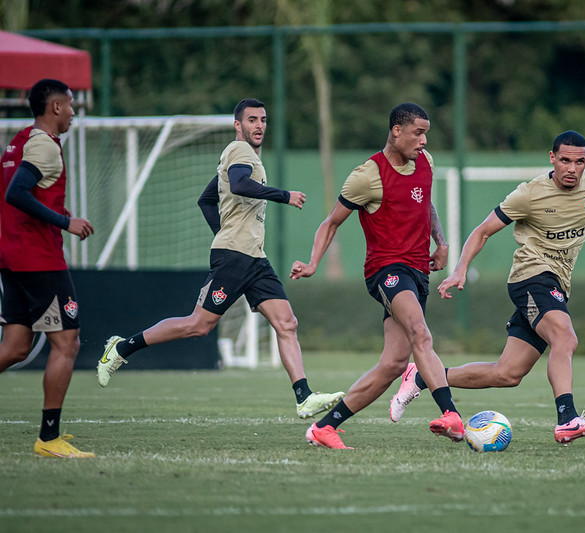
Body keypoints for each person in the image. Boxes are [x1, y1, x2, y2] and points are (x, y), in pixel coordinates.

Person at [96, 98, 344, 419]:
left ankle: (303, 396)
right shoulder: (239, 151)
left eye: (263, 120)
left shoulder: (245, 157)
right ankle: (121, 348)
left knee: (287, 323)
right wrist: (284, 196)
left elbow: (206, 200)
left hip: (253, 257)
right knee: (198, 325)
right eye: (252, 120)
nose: (259, 126)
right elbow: (240, 185)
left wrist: (223, 231)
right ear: (238, 126)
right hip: (235, 257)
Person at [389, 130, 585, 444]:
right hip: (530, 278)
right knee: (565, 336)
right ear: (552, 158)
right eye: (564, 160)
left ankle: (422, 376)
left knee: (507, 373)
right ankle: (567, 419)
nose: (572, 168)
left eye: (579, 162)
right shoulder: (530, 194)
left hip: (557, 282)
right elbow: (482, 232)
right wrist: (460, 270)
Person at [290, 102, 463, 449]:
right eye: (418, 132)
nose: (424, 141)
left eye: (426, 133)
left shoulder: (425, 163)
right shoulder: (367, 175)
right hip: (386, 270)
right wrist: (312, 264)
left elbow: (425, 202)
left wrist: (440, 242)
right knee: (420, 332)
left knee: (393, 364)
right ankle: (451, 414)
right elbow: (331, 222)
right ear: (396, 131)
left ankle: (324, 428)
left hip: (417, 272)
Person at [0, 79, 96, 458]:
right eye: (71, 105)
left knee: (16, 347)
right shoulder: (44, 144)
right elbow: (16, 193)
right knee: (67, 342)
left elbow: (15, 193)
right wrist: (63, 222)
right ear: (55, 107)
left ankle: (50, 436)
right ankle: (48, 438)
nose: (73, 112)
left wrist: (55, 212)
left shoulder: (19, 139)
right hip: (37, 259)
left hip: (12, 256)